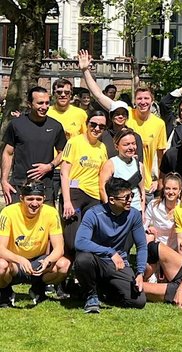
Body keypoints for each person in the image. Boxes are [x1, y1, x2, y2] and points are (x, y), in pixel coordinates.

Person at [81, 50, 168, 198]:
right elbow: (99, 95)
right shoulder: (125, 113)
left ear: (152, 101)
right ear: (135, 101)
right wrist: (85, 70)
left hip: (142, 184)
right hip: (113, 183)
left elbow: (161, 156)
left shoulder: (159, 123)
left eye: (146, 98)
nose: (143, 102)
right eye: (139, 99)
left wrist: (159, 180)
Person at [74, 177, 149, 312]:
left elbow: (142, 246)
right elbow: (80, 242)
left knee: (138, 301)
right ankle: (91, 295)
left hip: (118, 264)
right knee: (83, 259)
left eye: (131, 195)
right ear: (112, 200)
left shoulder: (134, 215)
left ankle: (104, 290)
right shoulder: (94, 214)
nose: (130, 200)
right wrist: (110, 252)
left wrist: (140, 272)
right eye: (126, 197)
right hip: (97, 261)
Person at [0, 180, 71, 306]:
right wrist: (20, 259)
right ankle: (5, 292)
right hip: (14, 263)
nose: (34, 203)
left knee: (64, 265)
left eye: (38, 199)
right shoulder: (8, 212)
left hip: (38, 261)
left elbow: (59, 248)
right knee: (1, 266)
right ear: (21, 198)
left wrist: (48, 260)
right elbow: (1, 248)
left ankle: (38, 289)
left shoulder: (51, 212)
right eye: (30, 199)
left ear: (44, 198)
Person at [1, 86, 66, 205]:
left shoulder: (55, 126)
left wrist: (49, 166)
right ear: (29, 104)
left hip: (45, 187)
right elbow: (8, 153)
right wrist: (4, 181)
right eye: (40, 103)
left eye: (47, 103)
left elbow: (64, 152)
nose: (44, 107)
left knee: (47, 217)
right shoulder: (16, 125)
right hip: (19, 185)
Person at [60, 109, 109, 253]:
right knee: (72, 241)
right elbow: (64, 172)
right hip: (75, 193)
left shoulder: (102, 147)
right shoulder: (74, 142)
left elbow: (103, 175)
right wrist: (67, 201)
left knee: (92, 237)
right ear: (87, 124)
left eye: (102, 126)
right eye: (93, 124)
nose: (97, 129)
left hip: (94, 196)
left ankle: (85, 265)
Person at [143, 172, 182, 282]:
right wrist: (148, 229)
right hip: (157, 247)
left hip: (175, 249)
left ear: (180, 191)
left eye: (174, 189)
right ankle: (148, 270)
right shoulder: (153, 205)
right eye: (167, 188)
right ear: (163, 189)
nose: (171, 192)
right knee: (148, 236)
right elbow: (143, 226)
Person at [98, 129, 146, 213]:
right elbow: (102, 188)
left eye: (133, 143)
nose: (131, 147)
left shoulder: (139, 165)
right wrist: (110, 210)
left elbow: (142, 190)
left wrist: (142, 212)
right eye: (126, 144)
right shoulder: (111, 164)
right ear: (117, 147)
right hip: (117, 211)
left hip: (136, 210)